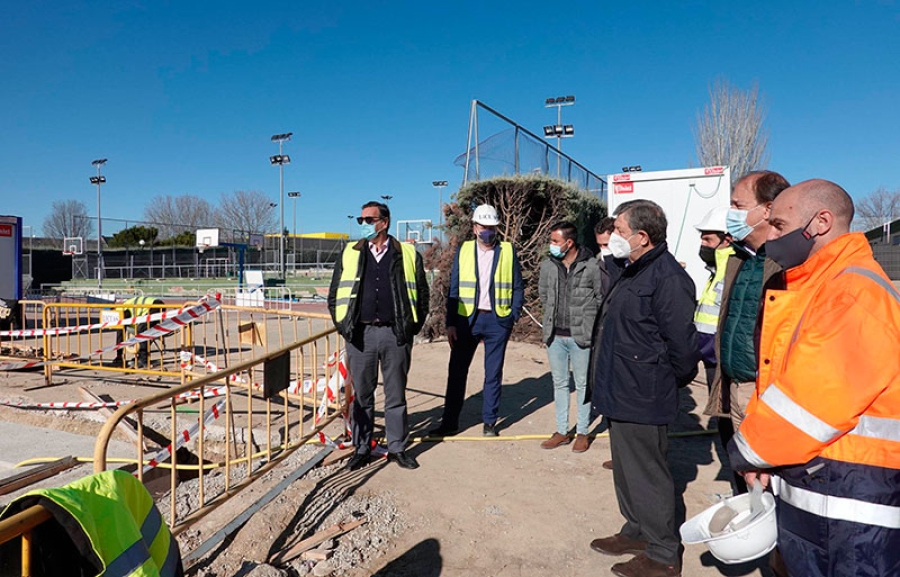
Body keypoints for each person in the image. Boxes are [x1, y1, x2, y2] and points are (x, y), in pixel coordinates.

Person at [728, 179, 900, 577]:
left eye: (779, 226)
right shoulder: (820, 284)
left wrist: (749, 451)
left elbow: (808, 403)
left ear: (821, 222)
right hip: (828, 486)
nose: (770, 237)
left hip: (853, 500)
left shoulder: (853, 293)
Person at [588, 199, 699, 577]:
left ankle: (663, 553)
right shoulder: (631, 270)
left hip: (643, 394)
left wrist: (660, 379)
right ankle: (636, 531)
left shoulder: (668, 279)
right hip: (619, 390)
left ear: (642, 237)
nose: (612, 237)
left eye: (619, 231)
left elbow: (684, 350)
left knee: (648, 475)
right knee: (626, 470)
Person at [704, 170, 790, 495]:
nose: (731, 213)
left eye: (738, 205)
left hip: (767, 398)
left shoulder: (788, 263)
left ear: (767, 210)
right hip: (735, 388)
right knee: (747, 485)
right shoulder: (741, 259)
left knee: (773, 489)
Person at [327, 201, 430, 471]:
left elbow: (422, 295)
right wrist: (343, 326)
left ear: (384, 222)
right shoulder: (350, 252)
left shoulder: (407, 253)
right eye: (361, 221)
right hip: (361, 336)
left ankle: (397, 448)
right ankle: (361, 448)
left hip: (395, 335)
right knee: (363, 395)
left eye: (368, 220)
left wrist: (411, 328)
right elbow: (334, 293)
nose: (363, 225)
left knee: (396, 395)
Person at [431, 204, 524, 437]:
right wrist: (451, 323)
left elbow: (517, 287)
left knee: (492, 373)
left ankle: (489, 422)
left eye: (492, 227)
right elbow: (453, 289)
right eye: (484, 227)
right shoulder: (464, 251)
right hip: (466, 321)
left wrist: (512, 316)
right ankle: (449, 423)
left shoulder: (507, 251)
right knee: (457, 371)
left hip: (497, 320)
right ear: (474, 228)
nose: (488, 231)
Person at [538, 221, 602, 452]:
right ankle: (562, 431)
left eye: (555, 241)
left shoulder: (592, 266)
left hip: (580, 337)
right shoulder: (548, 265)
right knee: (560, 383)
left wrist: (588, 323)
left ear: (569, 242)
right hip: (555, 336)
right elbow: (544, 294)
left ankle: (583, 432)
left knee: (584, 384)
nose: (551, 245)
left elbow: (599, 297)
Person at [692, 207, 735, 450]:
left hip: (725, 362)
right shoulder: (716, 270)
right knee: (723, 424)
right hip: (712, 359)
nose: (702, 244)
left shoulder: (733, 269)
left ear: (726, 239)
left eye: (707, 239)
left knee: (731, 424)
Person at [114, 296, 165, 369]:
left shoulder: (122, 311)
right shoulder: (122, 309)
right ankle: (142, 357)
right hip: (156, 305)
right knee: (144, 331)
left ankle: (143, 360)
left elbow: (120, 333)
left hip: (155, 305)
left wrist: (119, 355)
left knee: (141, 330)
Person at [594, 217, 616, 295]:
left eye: (606, 245)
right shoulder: (597, 266)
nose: (603, 249)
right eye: (599, 245)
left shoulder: (631, 264)